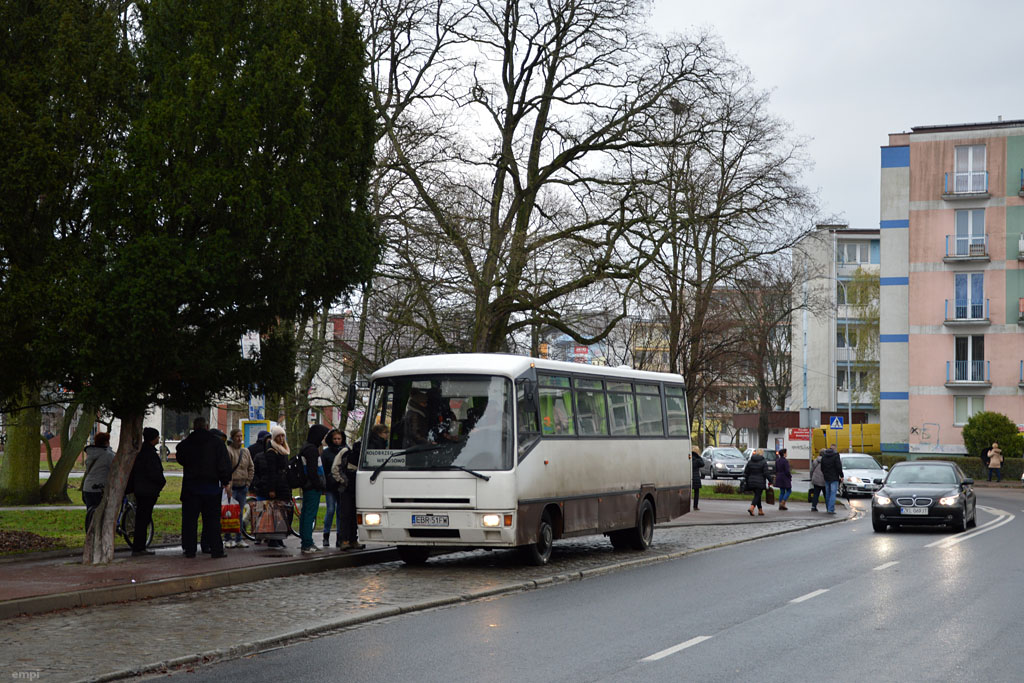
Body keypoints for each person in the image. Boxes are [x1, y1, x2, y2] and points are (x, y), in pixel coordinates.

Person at [176, 417, 232, 558]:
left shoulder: (186, 443)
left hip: (191, 487)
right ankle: (215, 549)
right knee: (212, 521)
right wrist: (226, 481)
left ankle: (190, 549)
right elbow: (223, 464)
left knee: (190, 521)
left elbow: (180, 457)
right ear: (207, 427)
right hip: (211, 488)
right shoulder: (217, 443)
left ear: (194, 427)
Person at [128, 427, 166, 556]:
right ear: (153, 438)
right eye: (157, 437)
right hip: (148, 490)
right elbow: (154, 473)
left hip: (140, 489)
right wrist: (161, 482)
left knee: (141, 518)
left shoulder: (140, 452)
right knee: (143, 519)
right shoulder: (150, 454)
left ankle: (139, 546)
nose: (158, 439)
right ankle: (139, 547)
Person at [250, 429, 289, 548]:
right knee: (273, 513)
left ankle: (279, 537)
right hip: (275, 485)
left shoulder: (283, 450)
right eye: (279, 436)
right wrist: (271, 488)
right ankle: (273, 539)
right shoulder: (271, 452)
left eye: (283, 436)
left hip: (282, 485)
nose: (281, 439)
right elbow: (272, 472)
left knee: (281, 512)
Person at [298, 424, 329, 553]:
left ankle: (306, 541)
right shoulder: (312, 450)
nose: (324, 438)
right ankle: (307, 543)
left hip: (308, 486)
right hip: (312, 487)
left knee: (306, 513)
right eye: (323, 435)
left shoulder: (306, 447)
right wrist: (319, 485)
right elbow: (313, 471)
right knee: (309, 514)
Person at [332, 437, 365, 550]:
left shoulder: (362, 452)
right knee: (345, 514)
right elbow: (335, 468)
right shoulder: (345, 452)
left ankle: (353, 539)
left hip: (357, 488)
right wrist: (343, 481)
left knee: (354, 515)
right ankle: (344, 540)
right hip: (346, 488)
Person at [224, 429, 254, 548]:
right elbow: (226, 469)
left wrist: (248, 482)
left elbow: (251, 467)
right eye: (237, 436)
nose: (239, 438)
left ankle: (238, 537)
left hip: (243, 486)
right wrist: (228, 485)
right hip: (232, 486)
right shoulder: (228, 451)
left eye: (241, 436)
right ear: (232, 437)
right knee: (229, 512)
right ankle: (228, 538)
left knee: (239, 513)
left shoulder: (246, 451)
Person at [82, 432, 115, 533]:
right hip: (99, 487)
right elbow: (115, 467)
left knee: (90, 511)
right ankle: (99, 532)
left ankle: (90, 532)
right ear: (106, 442)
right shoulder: (108, 455)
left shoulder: (91, 453)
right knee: (101, 513)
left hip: (87, 487)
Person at [321, 429, 346, 548]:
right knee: (330, 510)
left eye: (339, 439)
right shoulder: (326, 453)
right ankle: (326, 535)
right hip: (330, 486)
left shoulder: (345, 451)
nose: (337, 441)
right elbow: (324, 470)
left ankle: (339, 537)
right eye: (335, 439)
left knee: (340, 512)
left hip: (341, 486)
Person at [743, 448, 770, 516]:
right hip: (760, 482)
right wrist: (771, 481)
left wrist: (747, 480)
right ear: (762, 453)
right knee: (758, 495)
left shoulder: (750, 461)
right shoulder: (763, 462)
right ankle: (752, 508)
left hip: (751, 481)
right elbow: (766, 473)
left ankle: (760, 510)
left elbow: (746, 472)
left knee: (757, 496)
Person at [820, 447, 844, 514]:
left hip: (827, 477)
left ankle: (828, 508)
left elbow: (822, 467)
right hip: (834, 477)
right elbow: (839, 467)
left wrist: (825, 474)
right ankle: (831, 509)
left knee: (828, 493)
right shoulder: (836, 456)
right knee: (833, 493)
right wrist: (841, 475)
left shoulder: (824, 457)